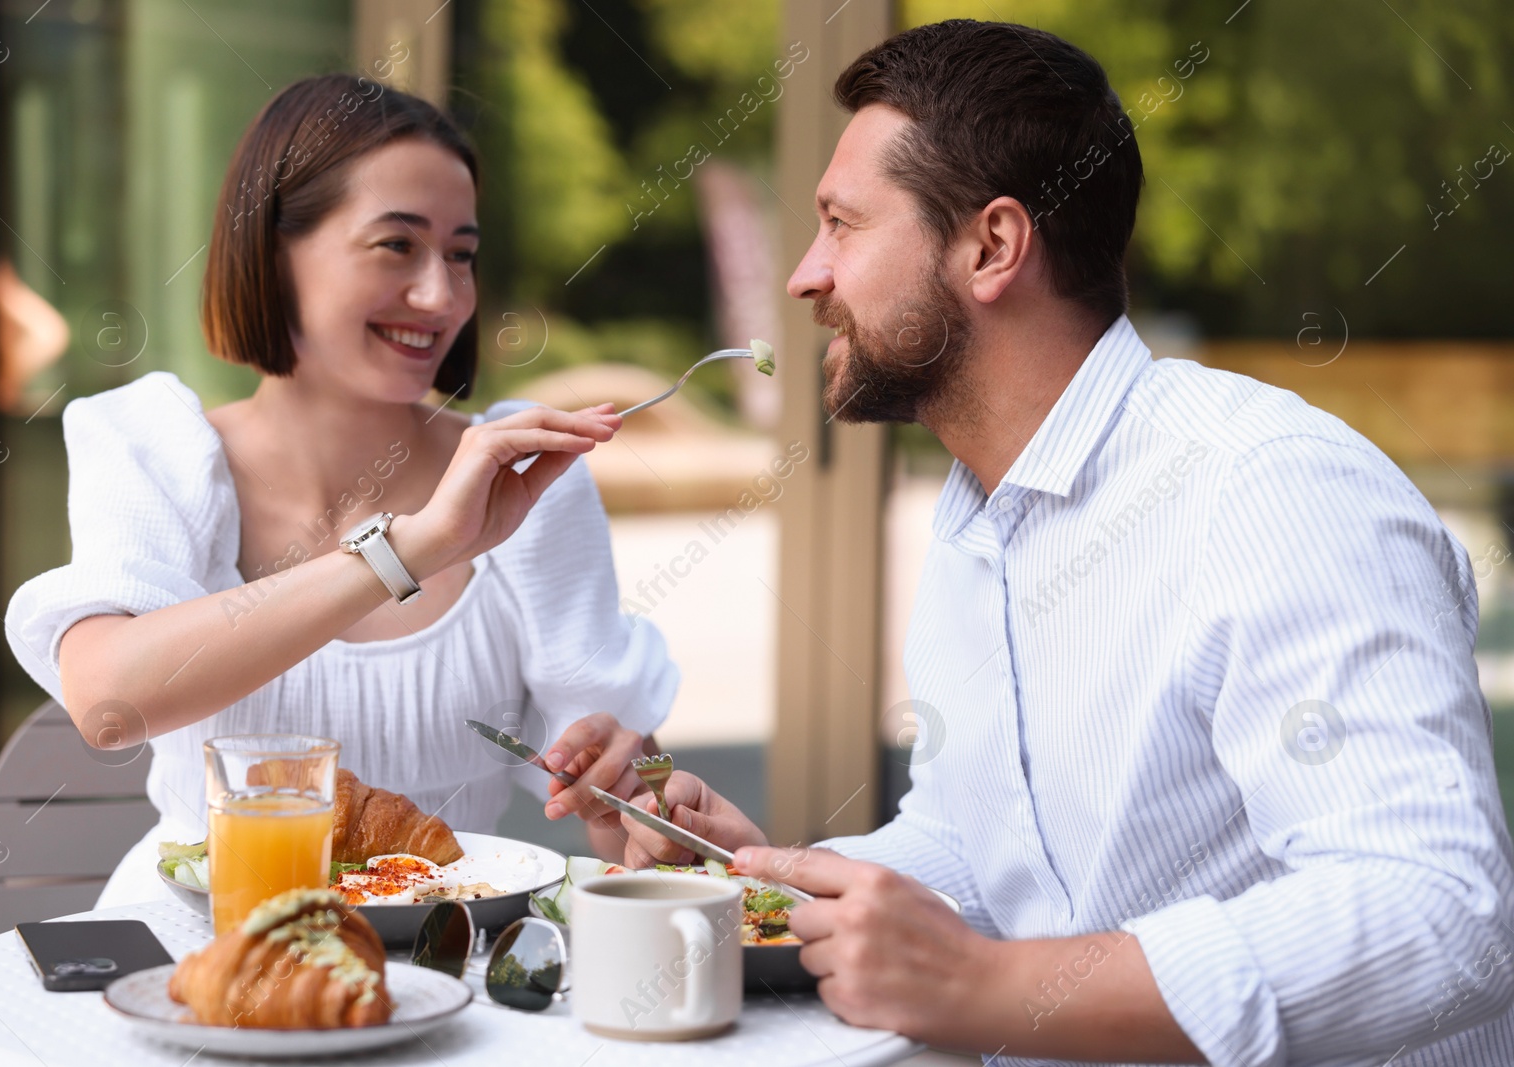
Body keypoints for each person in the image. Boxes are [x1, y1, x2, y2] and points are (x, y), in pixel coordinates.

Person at [621, 21, 1514, 1065]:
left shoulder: (1269, 488)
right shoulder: (979, 510)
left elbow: (1442, 910)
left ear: (992, 247)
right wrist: (778, 880)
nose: (804, 278)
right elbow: (990, 847)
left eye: (840, 225)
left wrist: (991, 986)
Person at [5, 75, 677, 906]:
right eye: (397, 244)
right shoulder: (156, 448)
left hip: (447, 965)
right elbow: (109, 700)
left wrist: (635, 778)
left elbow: (621, 806)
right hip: (199, 951)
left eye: (461, 254)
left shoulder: (526, 484)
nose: (440, 296)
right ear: (273, 250)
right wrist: (420, 545)